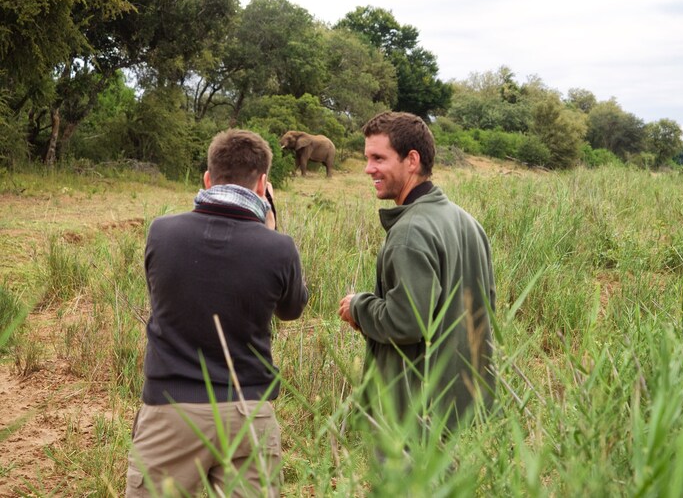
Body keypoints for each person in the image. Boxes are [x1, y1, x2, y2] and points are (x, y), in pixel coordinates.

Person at [126, 129, 308, 497]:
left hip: (171, 407)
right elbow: (292, 309)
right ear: (263, 185)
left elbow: (165, 295)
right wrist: (270, 229)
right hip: (248, 410)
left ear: (208, 179)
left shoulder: (161, 232)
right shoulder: (279, 247)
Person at [338, 111, 496, 435]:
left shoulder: (409, 233)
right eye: (367, 158)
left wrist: (359, 307)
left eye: (378, 158)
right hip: (466, 407)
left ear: (412, 160)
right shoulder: (468, 222)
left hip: (417, 411)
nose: (368, 168)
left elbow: (406, 322)